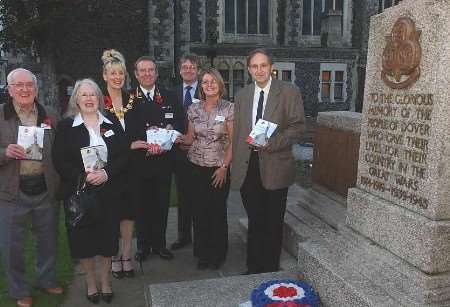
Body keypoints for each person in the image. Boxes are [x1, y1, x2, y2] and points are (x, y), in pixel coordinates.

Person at [52, 79, 128, 304]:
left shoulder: (111, 122)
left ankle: (105, 282)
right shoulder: (67, 126)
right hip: (80, 194)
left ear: (99, 98)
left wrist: (107, 173)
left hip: (109, 193)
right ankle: (90, 282)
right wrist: (83, 176)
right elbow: (59, 160)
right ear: (76, 99)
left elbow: (124, 156)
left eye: (92, 94)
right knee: (83, 241)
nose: (88, 99)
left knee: (106, 241)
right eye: (83, 95)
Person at [231, 49, 305, 274]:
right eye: (254, 66)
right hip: (248, 165)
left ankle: (270, 268)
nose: (259, 70)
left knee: (272, 222)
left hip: (275, 164)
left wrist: (271, 144)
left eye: (263, 65)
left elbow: (298, 127)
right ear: (249, 69)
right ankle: (253, 267)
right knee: (255, 219)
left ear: (271, 67)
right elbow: (238, 132)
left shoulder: (288, 92)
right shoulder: (242, 95)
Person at [0, 68, 63, 307]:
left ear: (36, 89)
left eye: (29, 85)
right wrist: (5, 153)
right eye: (19, 85)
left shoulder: (51, 115)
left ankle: (46, 280)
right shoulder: (0, 115)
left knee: (47, 240)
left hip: (45, 188)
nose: (25, 89)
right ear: (10, 89)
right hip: (11, 191)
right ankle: (19, 290)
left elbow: (60, 150)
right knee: (11, 245)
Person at [127, 56, 183, 262]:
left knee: (161, 204)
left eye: (151, 70)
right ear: (136, 74)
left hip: (163, 161)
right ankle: (142, 246)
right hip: (139, 162)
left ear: (156, 73)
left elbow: (180, 123)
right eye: (143, 70)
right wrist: (141, 143)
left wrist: (170, 132)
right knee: (141, 205)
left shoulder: (169, 96)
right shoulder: (128, 98)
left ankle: (159, 244)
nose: (147, 74)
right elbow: (127, 129)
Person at [177, 68, 233, 270]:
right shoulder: (194, 109)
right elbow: (190, 139)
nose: (209, 85)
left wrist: (224, 167)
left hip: (218, 168)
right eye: (205, 82)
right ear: (201, 86)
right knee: (199, 212)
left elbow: (233, 143)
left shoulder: (228, 108)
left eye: (213, 82)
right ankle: (203, 253)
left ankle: (217, 254)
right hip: (195, 167)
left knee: (216, 212)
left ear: (220, 85)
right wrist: (172, 137)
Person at [101, 49, 138, 279]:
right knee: (111, 214)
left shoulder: (132, 100)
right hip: (109, 169)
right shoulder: (97, 102)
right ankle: (113, 255)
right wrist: (128, 146)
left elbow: (141, 128)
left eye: (121, 73)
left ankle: (126, 255)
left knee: (128, 214)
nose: (117, 77)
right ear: (104, 76)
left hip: (132, 168)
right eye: (113, 73)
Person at [170, 54, 200, 252]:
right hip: (179, 153)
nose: (188, 70)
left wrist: (193, 140)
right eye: (185, 67)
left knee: (200, 197)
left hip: (201, 152)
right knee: (183, 196)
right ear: (180, 70)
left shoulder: (207, 90)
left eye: (192, 67)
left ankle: (201, 236)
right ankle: (183, 236)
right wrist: (177, 138)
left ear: (197, 69)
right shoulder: (172, 94)